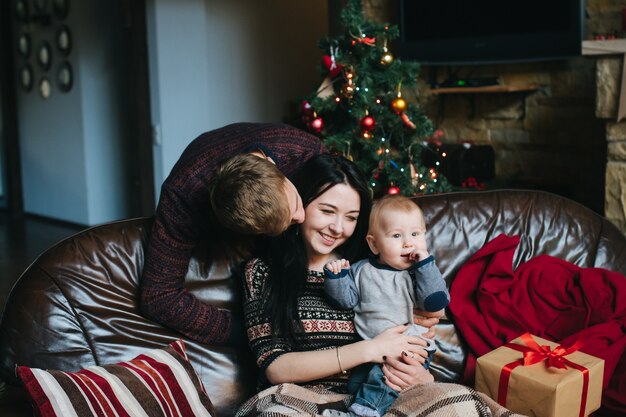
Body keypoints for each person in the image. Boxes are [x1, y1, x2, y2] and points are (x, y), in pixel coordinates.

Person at [237, 154, 436, 416]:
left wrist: (422, 378)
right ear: (302, 202)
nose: (338, 228)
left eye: (351, 217)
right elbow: (275, 368)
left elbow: (418, 334)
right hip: (297, 399)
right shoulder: (263, 271)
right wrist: (370, 349)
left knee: (460, 403)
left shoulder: (370, 268)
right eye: (327, 211)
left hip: (380, 396)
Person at [140, 122, 326, 346]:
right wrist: (251, 332)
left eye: (295, 203)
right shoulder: (181, 198)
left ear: (276, 168)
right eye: (290, 221)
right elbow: (159, 297)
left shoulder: (304, 150)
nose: (302, 217)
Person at [322, 194, 450, 417]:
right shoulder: (361, 270)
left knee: (384, 380)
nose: (408, 243)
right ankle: (377, 407)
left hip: (409, 345)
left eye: (416, 234)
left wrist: (426, 264)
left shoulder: (417, 273)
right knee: (357, 387)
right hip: (371, 346)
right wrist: (337, 278)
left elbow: (435, 301)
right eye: (397, 235)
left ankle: (362, 414)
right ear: (374, 244)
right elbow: (346, 300)